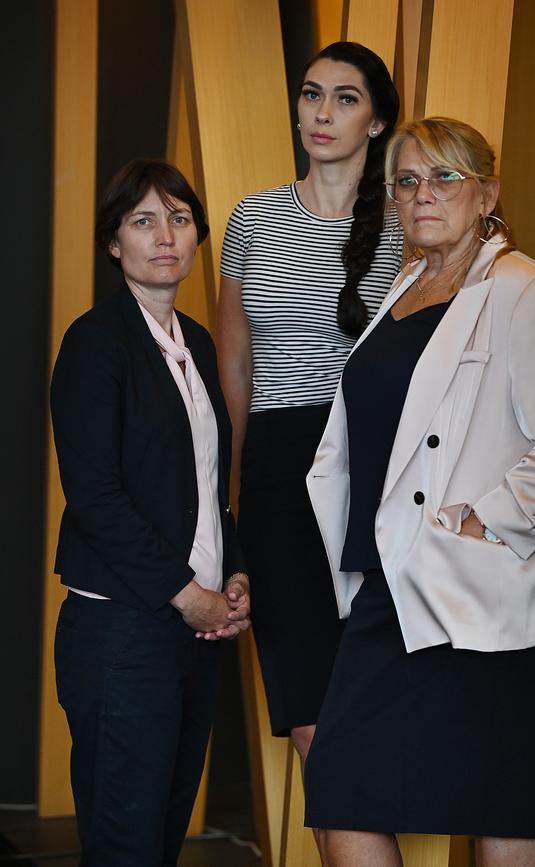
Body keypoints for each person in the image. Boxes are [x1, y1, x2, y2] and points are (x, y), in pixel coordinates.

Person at [303, 117, 535, 867]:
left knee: (500, 800)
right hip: (390, 581)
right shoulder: (402, 288)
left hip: (486, 592)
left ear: (488, 192)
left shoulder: (527, 291)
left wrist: (482, 521)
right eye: (407, 180)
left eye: (444, 177)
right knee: (342, 786)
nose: (422, 193)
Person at [51, 159, 250, 866]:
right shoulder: (96, 344)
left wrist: (232, 573)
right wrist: (185, 593)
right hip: (120, 633)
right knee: (125, 846)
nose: (164, 235)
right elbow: (96, 495)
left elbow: (205, 482)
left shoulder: (195, 342)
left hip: (187, 631)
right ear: (114, 243)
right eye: (142, 220)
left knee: (160, 839)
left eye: (179, 218)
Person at [216, 41, 401, 765]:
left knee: (376, 694)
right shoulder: (252, 218)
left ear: (378, 121)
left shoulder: (405, 226)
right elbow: (235, 364)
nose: (321, 114)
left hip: (373, 463)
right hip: (275, 463)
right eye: (311, 94)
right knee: (307, 710)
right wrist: (223, 489)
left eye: (345, 98)